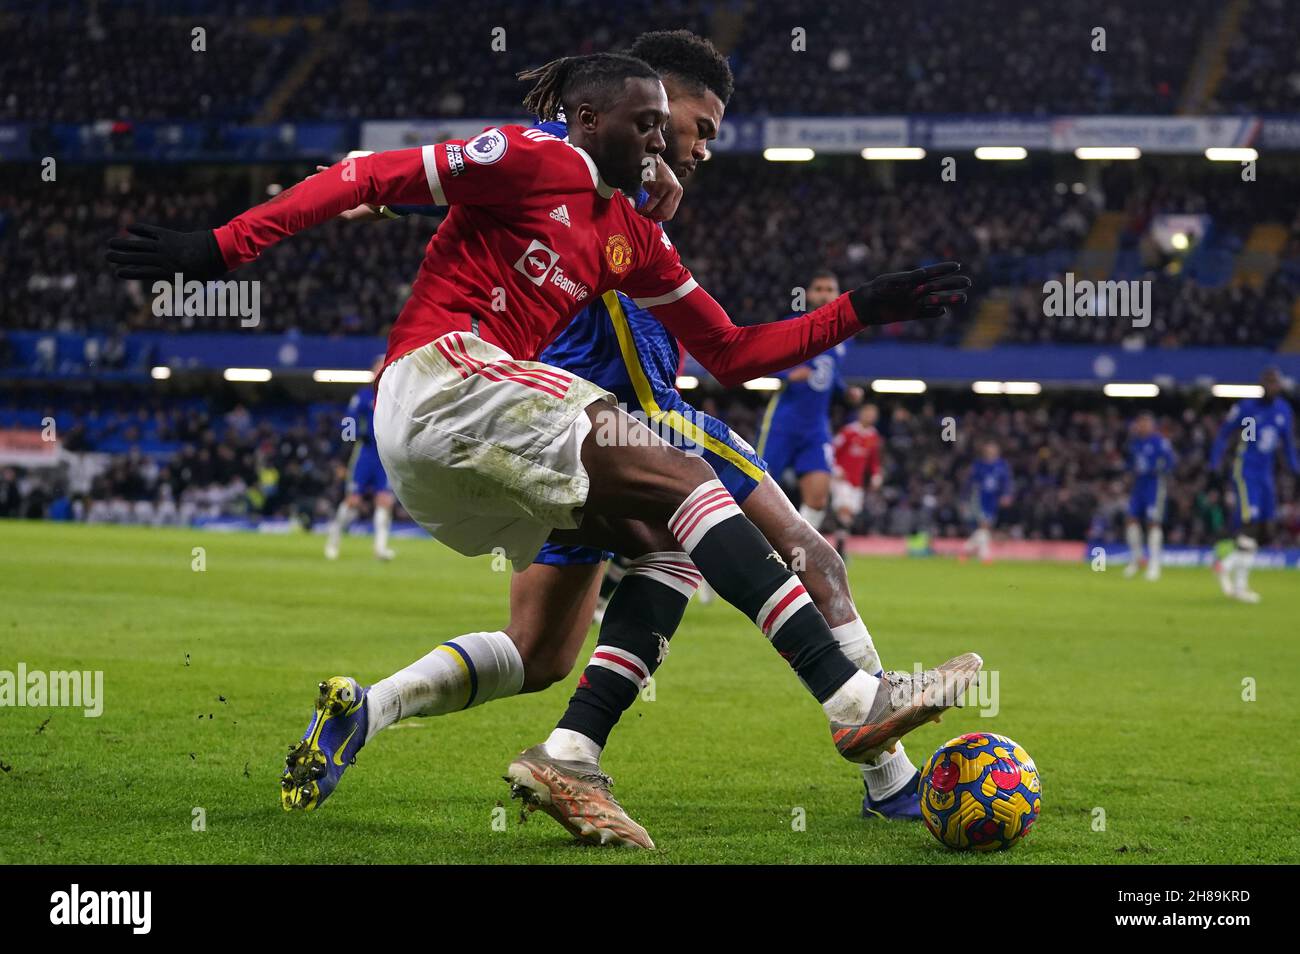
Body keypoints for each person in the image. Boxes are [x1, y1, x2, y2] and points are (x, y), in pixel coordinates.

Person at [108, 53, 977, 846]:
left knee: (617, 589)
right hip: (451, 377)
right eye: (668, 125)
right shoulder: (539, 156)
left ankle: (548, 751)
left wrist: (863, 307)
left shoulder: (629, 235)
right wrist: (219, 247)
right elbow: (366, 175)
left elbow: (733, 351)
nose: (678, 146)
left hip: (477, 438)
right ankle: (858, 705)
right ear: (594, 119)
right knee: (705, 490)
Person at [757, 270, 862, 534]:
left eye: (830, 289)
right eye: (819, 288)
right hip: (783, 421)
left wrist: (845, 391)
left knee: (817, 498)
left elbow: (829, 371)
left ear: (837, 295)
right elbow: (761, 356)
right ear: (808, 294)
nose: (824, 293)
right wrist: (788, 374)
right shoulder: (793, 323)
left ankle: (795, 553)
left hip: (816, 426)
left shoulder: (843, 337)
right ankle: (750, 549)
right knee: (758, 491)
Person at [1209, 367, 1297, 602]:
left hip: (1266, 474)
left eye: (1275, 383)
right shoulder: (1247, 409)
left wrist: (1295, 469)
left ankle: (1224, 562)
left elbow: (1287, 444)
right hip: (1246, 470)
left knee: (1264, 528)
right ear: (1261, 385)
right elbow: (1225, 433)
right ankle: (1237, 583)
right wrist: (1215, 462)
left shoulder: (1283, 411)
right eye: (1268, 382)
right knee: (1251, 523)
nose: (1272, 387)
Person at [324, 356, 397, 561]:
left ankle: (380, 549)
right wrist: (352, 438)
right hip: (365, 453)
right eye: (378, 367)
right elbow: (349, 420)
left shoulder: (394, 398)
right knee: (353, 500)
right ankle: (333, 540)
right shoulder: (363, 396)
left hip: (385, 455)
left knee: (384, 500)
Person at [1122, 412, 1175, 581]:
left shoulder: (1159, 441)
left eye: (1145, 423)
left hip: (1154, 485)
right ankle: (1137, 560)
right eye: (1140, 423)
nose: (1141, 426)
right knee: (1131, 519)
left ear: (1152, 425)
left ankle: (1154, 564)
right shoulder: (1135, 442)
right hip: (1139, 485)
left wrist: (1160, 469)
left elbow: (1171, 461)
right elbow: (1131, 463)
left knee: (1154, 522)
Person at [831, 402, 884, 556]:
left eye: (873, 415)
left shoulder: (873, 436)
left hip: (857, 482)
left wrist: (875, 474)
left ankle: (840, 544)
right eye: (868, 413)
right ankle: (840, 550)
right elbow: (832, 450)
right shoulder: (848, 432)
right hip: (842, 480)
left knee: (850, 514)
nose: (870, 417)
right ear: (861, 414)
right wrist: (835, 468)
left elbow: (873, 460)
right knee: (845, 509)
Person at [962, 441, 1012, 564]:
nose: (991, 452)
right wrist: (965, 498)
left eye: (993, 449)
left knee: (985, 527)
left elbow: (1006, 482)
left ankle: (967, 549)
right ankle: (985, 555)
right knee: (984, 525)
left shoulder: (1002, 465)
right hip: (979, 498)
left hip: (993, 499)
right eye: (989, 449)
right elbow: (969, 482)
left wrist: (1006, 495)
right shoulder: (978, 465)